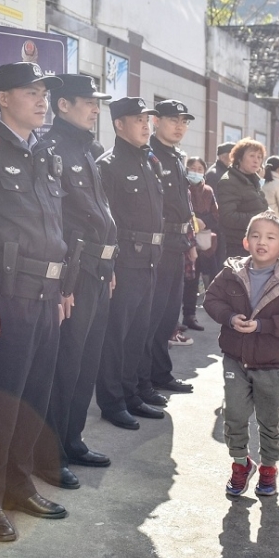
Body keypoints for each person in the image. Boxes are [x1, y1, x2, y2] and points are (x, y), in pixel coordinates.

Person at [0, 62, 70, 543]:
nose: (42, 100)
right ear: (3, 98)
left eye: (44, 92)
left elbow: (57, 228)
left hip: (47, 294)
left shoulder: (44, 152)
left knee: (33, 400)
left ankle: (17, 485)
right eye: (31, 92)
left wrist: (65, 286)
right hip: (8, 297)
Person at [35, 75, 118, 491]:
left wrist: (110, 263)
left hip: (98, 271)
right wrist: (63, 284)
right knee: (64, 365)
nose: (94, 109)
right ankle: (50, 454)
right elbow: (54, 222)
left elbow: (100, 212)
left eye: (97, 102)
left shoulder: (89, 148)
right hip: (73, 276)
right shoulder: (49, 149)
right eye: (87, 102)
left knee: (86, 363)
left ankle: (72, 438)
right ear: (62, 104)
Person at [203, 212, 279, 498]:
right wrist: (229, 318)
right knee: (234, 414)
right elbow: (211, 299)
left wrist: (263, 325)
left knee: (270, 420)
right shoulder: (231, 272)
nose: (262, 242)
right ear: (246, 242)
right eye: (256, 236)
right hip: (235, 359)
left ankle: (269, 469)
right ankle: (240, 465)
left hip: (272, 364)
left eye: (270, 237)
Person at [95, 97, 166, 430]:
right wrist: (109, 265)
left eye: (146, 119)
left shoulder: (148, 162)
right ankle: (112, 401)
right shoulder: (108, 165)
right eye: (137, 119)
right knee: (117, 336)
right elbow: (104, 220)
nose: (145, 125)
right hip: (125, 261)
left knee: (139, 331)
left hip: (150, 260)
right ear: (118, 125)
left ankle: (132, 392)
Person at [144, 100, 197, 380]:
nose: (180, 126)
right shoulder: (149, 154)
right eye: (173, 120)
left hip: (178, 243)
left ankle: (161, 372)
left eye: (184, 121)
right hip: (159, 244)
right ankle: (147, 377)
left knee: (168, 316)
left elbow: (184, 205)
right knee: (153, 317)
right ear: (156, 121)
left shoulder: (176, 157)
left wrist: (190, 244)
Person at [215, 138, 269, 264]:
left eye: (260, 157)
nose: (256, 160)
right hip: (237, 247)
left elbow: (260, 206)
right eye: (252, 155)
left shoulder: (253, 180)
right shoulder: (229, 181)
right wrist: (259, 219)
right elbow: (227, 217)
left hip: (255, 244)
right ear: (239, 158)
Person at [183, 156, 218, 332]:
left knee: (194, 279)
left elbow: (215, 215)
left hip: (201, 241)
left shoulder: (208, 192)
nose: (195, 172)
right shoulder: (181, 187)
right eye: (192, 168)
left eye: (199, 169)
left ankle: (190, 315)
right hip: (183, 239)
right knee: (180, 280)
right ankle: (174, 320)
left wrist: (203, 221)